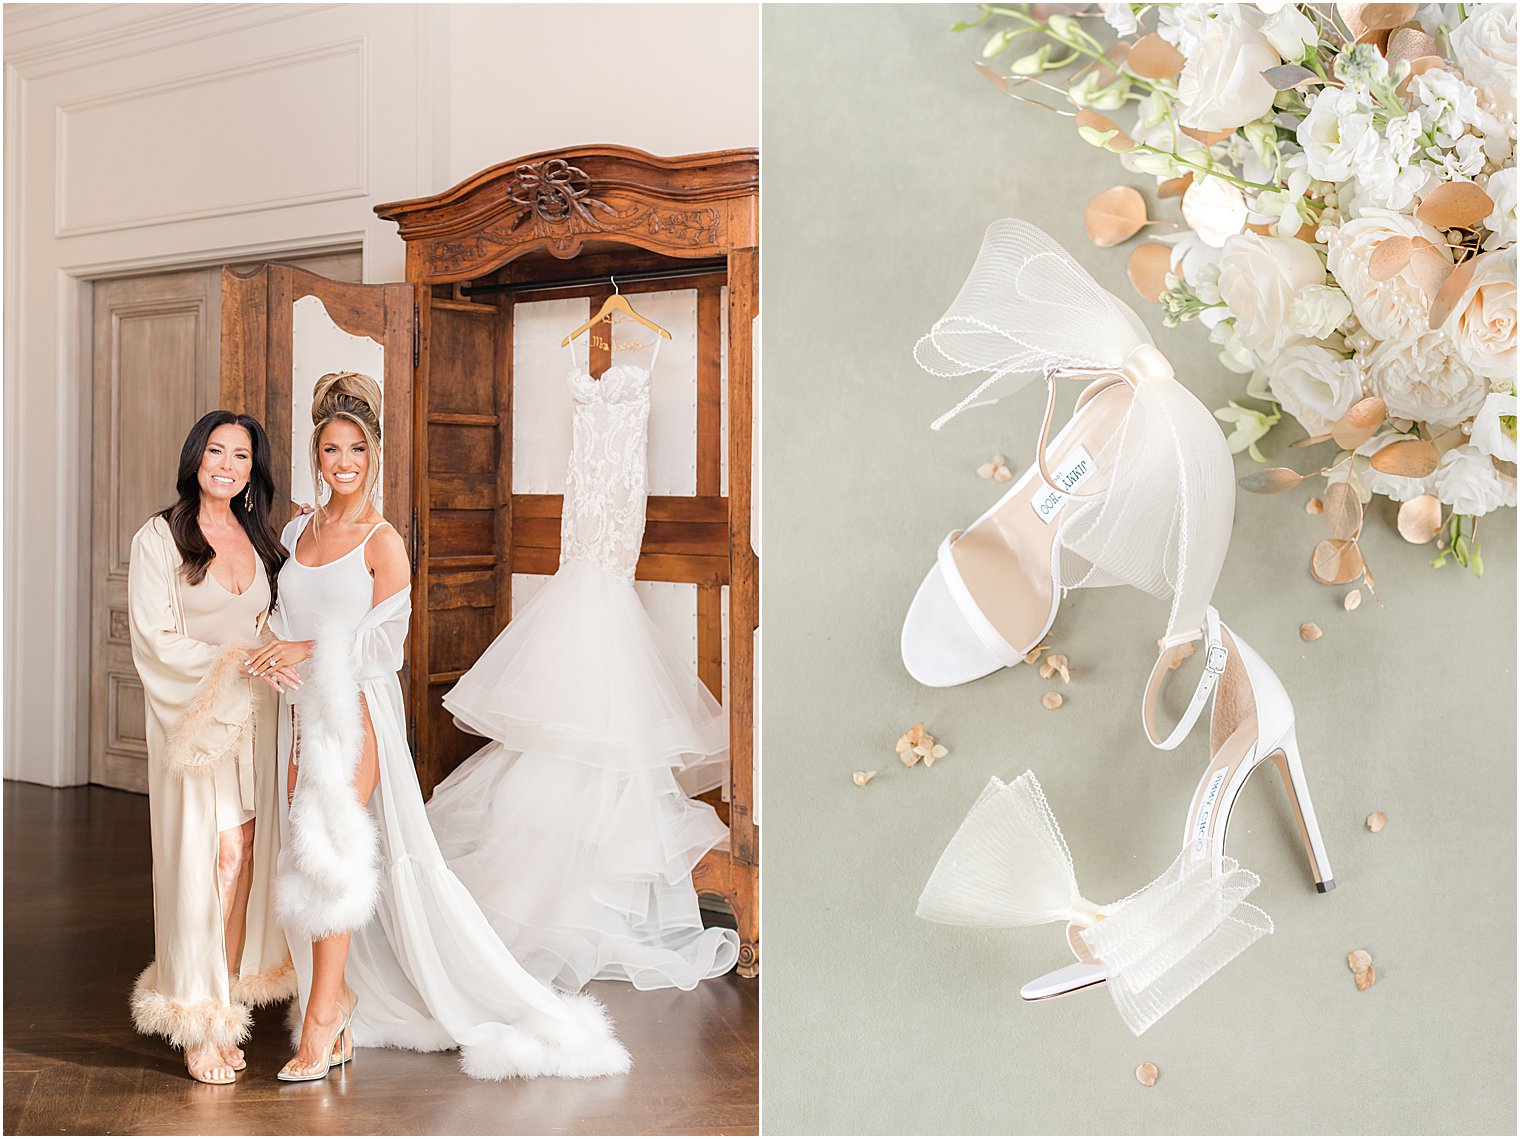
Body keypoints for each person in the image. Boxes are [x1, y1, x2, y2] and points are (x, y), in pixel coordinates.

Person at [245, 371, 629, 1082]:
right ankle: (344, 996)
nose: (343, 462)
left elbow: (383, 646)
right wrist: (273, 648)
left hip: (355, 713)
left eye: (356, 448)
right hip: (299, 712)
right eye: (331, 449)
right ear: (316, 454)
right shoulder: (299, 527)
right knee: (304, 858)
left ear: (376, 453)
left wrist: (306, 649)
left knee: (330, 855)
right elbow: (283, 611)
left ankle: (324, 1020)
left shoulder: (382, 541)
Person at [127, 411, 295, 1084]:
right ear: (195, 458)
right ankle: (197, 1017)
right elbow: (154, 637)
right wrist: (236, 662)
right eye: (217, 451)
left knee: (249, 855)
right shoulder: (159, 537)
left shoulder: (261, 537)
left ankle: (222, 1006)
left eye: (241, 456)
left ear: (253, 470)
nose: (227, 464)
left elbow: (281, 619)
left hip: (258, 717)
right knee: (214, 855)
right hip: (196, 721)